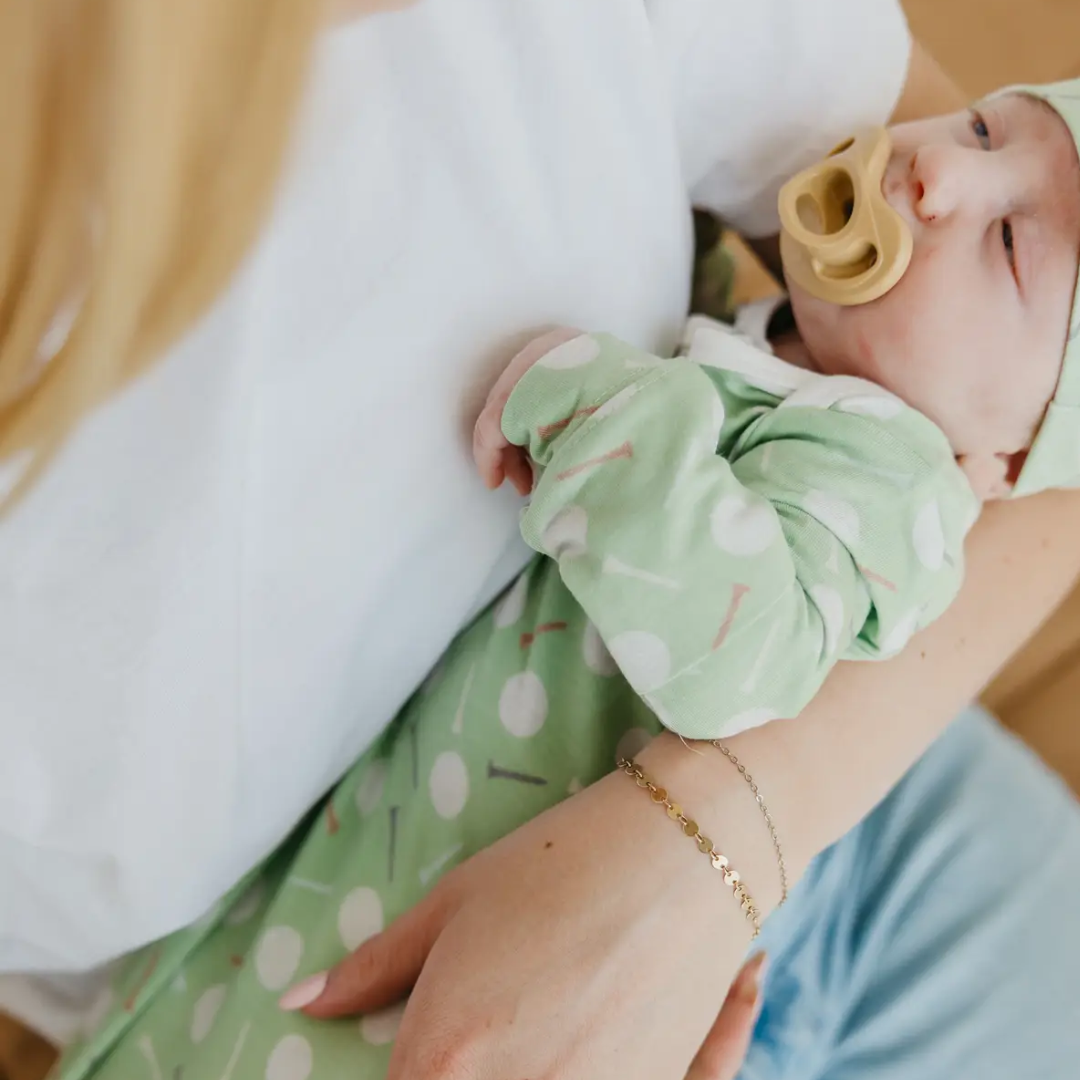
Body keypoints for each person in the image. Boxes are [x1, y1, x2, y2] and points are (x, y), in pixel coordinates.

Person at [2, 0, 1080, 1077]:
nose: (943, 173)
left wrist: (719, 844)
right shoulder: (809, 371)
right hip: (372, 969)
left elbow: (742, 646)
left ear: (996, 470)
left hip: (859, 868)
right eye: (982, 128)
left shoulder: (895, 478)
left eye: (1012, 242)